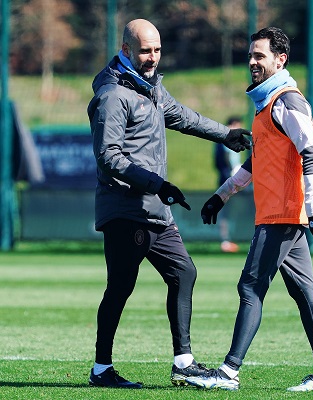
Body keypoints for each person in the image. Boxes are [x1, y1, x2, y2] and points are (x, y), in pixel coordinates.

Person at [86, 18, 251, 389]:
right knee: (121, 286)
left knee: (184, 273)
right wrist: (155, 183)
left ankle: (183, 363)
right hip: (125, 209)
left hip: (154, 209)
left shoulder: (153, 89)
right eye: (145, 50)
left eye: (157, 50)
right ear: (126, 50)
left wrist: (226, 135)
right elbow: (108, 156)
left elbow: (184, 117)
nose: (153, 57)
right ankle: (101, 369)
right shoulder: (113, 95)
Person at [185, 27, 313, 392]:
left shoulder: (288, 100)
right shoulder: (265, 104)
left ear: (280, 60)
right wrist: (220, 196)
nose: (252, 62)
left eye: (260, 56)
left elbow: (311, 154)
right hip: (278, 213)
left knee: (250, 287)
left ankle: (228, 372)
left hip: (283, 214)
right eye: (251, 55)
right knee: (304, 291)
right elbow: (257, 163)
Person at [214, 116, 243, 252]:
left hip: (235, 180)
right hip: (227, 180)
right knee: (225, 212)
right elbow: (221, 163)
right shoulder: (223, 142)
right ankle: (225, 241)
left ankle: (231, 239)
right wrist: (231, 173)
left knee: (232, 212)